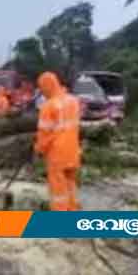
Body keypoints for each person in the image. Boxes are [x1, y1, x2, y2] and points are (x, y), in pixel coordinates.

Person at [34, 72, 81, 211]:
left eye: (42, 89)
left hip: (57, 154)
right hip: (73, 151)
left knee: (58, 191)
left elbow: (45, 134)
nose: (42, 92)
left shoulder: (48, 107)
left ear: (46, 87)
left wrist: (38, 149)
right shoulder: (73, 101)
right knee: (70, 185)